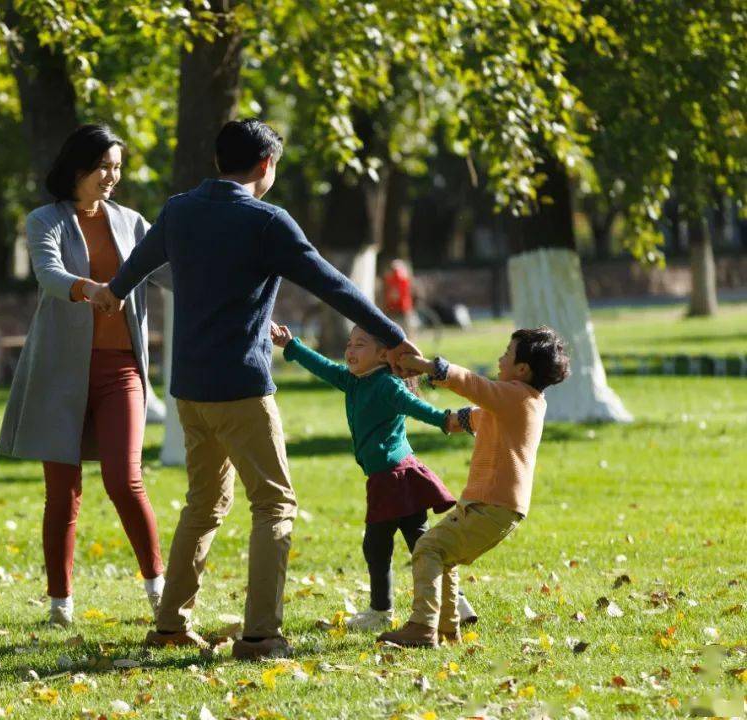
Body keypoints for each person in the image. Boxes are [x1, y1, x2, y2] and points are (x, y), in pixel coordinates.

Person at [92, 119, 421, 659]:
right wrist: (394, 337)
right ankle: (261, 634)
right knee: (274, 504)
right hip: (242, 387)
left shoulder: (179, 210)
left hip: (190, 392)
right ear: (265, 165)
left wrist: (113, 292)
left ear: (220, 160)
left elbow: (139, 264)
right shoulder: (267, 221)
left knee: (203, 504)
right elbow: (332, 284)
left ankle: (171, 625)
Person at [0, 125, 168, 627]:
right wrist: (90, 289)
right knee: (63, 491)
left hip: (121, 371)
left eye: (117, 167)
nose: (112, 176)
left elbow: (168, 273)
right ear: (78, 170)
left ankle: (160, 588)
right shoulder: (44, 220)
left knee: (125, 478)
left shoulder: (131, 221)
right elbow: (49, 275)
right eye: (104, 168)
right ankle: (60, 604)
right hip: (60, 371)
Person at [269, 322, 477, 632]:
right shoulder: (353, 381)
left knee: (395, 546)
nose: (350, 350)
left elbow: (417, 408)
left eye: (360, 345)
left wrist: (449, 421)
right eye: (350, 343)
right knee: (414, 543)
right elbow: (324, 366)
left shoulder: (386, 385)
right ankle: (450, 602)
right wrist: (291, 346)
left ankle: (388, 611)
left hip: (397, 478)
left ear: (383, 355)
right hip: (385, 479)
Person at [377, 326, 570, 648]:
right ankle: (446, 630)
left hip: (491, 505)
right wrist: (428, 412)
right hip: (492, 506)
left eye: (507, 354)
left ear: (522, 370)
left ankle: (422, 628)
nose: (500, 358)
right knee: (443, 554)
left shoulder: (516, 396)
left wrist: (425, 366)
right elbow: (472, 418)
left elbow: (473, 386)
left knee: (428, 548)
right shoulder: (518, 403)